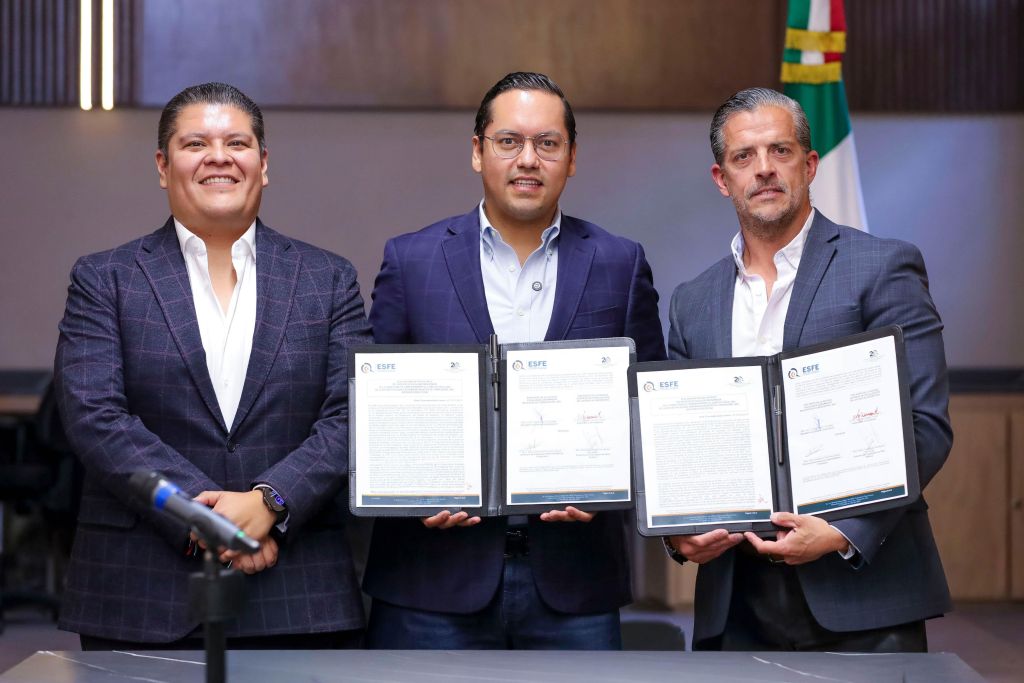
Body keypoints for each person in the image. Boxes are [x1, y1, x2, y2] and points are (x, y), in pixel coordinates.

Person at [54, 82, 371, 649]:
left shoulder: (328, 279)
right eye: (195, 143)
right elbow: (94, 415)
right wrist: (210, 518)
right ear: (163, 165)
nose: (218, 157)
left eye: (237, 143)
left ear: (263, 164)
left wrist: (271, 500)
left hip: (298, 591)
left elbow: (354, 413)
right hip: (141, 588)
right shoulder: (105, 279)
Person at [362, 72, 665, 649]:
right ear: (478, 152)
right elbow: (372, 406)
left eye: (547, 143)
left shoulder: (620, 263)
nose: (528, 159)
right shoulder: (411, 260)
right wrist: (409, 490)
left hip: (576, 583)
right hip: (430, 580)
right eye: (509, 141)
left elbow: (648, 411)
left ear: (571, 158)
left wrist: (608, 485)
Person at [665, 87, 952, 652]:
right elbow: (680, 445)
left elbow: (925, 425)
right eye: (744, 156)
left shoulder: (882, 266)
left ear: (811, 164)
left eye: (781, 150)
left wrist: (844, 531)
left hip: (864, 598)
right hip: (736, 604)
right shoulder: (691, 302)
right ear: (722, 178)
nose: (764, 169)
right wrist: (678, 535)